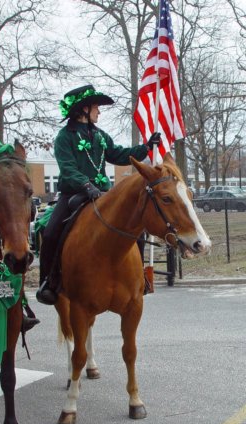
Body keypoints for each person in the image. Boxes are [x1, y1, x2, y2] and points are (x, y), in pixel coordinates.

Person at [36, 84, 161, 305]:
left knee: (135, 228)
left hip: (103, 193)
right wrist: (85, 185)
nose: (99, 111)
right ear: (83, 109)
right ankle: (49, 281)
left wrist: (146, 147)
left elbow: (119, 154)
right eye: (95, 107)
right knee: (50, 232)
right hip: (74, 194)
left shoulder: (100, 136)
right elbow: (67, 168)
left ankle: (139, 276)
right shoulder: (64, 137)